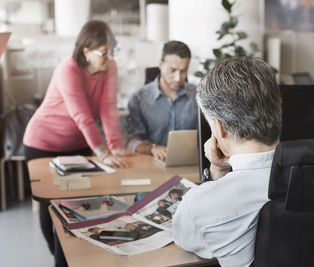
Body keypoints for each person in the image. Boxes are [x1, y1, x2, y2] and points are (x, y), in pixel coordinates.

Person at [23, 20, 134, 266]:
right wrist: (103, 153)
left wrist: (114, 146)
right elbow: (82, 116)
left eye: (111, 51)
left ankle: (77, 257)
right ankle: (59, 257)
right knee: (51, 205)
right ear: (86, 50)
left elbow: (107, 109)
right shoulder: (68, 68)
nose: (108, 57)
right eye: (103, 52)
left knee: (82, 204)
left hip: (79, 144)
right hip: (43, 143)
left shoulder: (109, 67)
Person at [172, 57, 282, 267]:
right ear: (278, 112)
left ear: (218, 128)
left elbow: (185, 239)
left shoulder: (199, 206)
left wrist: (215, 175)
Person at [124, 40, 197, 160]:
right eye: (172, 70)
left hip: (189, 164)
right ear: (160, 65)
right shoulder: (139, 99)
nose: (178, 78)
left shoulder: (199, 96)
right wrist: (151, 148)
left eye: (183, 71)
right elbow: (131, 139)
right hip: (151, 165)